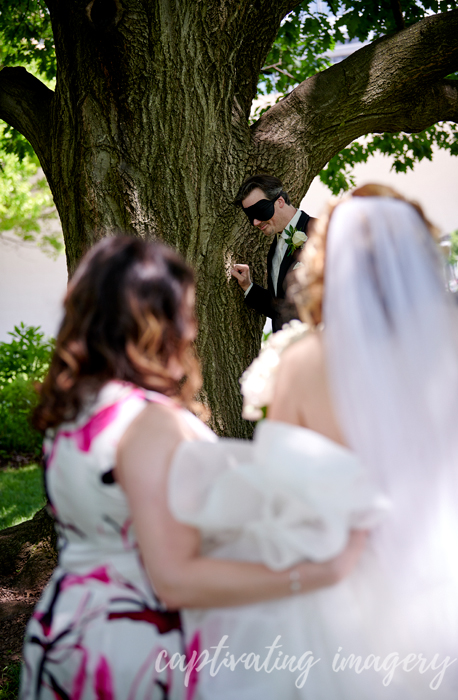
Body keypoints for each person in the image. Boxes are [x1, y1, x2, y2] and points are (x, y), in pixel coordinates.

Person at [19, 236, 365, 700]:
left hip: (67, 624)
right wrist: (319, 574)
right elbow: (174, 578)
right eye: (183, 309)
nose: (189, 326)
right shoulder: (147, 421)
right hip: (135, 648)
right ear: (153, 320)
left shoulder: (77, 410)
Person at [169, 185, 458, 698]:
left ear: (327, 264)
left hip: (347, 588)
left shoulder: (306, 363)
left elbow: (279, 483)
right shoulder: (456, 345)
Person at [231, 174, 316, 332]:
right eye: (250, 216)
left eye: (260, 211)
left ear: (280, 202)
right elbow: (280, 309)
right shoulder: (274, 250)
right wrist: (248, 286)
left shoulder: (319, 233)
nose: (255, 222)